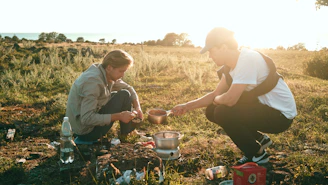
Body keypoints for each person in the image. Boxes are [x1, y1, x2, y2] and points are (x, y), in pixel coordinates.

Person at [171, 27, 297, 164]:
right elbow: (215, 94)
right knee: (212, 111)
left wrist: (217, 100)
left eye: (211, 51)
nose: (210, 56)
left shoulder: (247, 59)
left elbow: (230, 100)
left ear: (224, 47)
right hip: (264, 108)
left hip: (280, 116)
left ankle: (257, 154)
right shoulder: (230, 67)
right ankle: (260, 140)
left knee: (222, 111)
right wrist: (186, 106)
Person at [65, 49, 143, 145]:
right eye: (121, 71)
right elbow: (86, 119)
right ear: (110, 67)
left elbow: (128, 88)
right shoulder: (93, 82)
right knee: (123, 95)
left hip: (89, 119)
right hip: (85, 132)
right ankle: (126, 134)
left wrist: (137, 107)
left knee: (124, 94)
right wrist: (119, 116)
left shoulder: (104, 72)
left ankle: (126, 134)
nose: (122, 75)